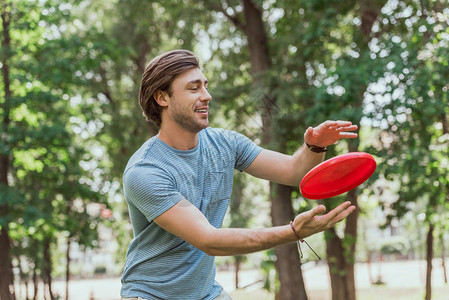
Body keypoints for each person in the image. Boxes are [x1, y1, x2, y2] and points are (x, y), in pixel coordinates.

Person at [120, 49, 358, 300]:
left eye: (205, 86)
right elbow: (209, 240)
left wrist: (315, 146)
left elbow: (294, 171)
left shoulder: (224, 144)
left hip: (205, 293)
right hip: (152, 295)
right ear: (162, 98)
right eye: (194, 89)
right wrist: (292, 231)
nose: (207, 96)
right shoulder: (145, 171)